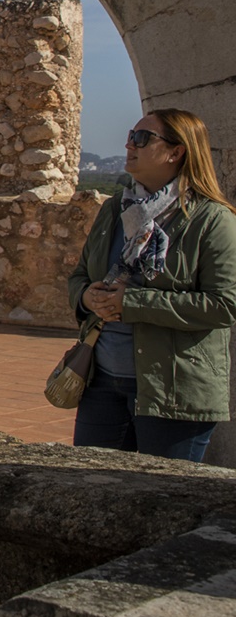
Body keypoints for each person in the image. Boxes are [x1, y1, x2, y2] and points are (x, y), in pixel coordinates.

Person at [68, 108, 236, 461]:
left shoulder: (212, 220)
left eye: (142, 139)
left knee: (164, 492)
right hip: (102, 382)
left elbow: (225, 304)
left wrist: (133, 303)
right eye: (131, 136)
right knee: (94, 487)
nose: (129, 145)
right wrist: (86, 296)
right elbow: (81, 275)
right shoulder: (116, 209)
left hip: (172, 390)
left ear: (176, 152)